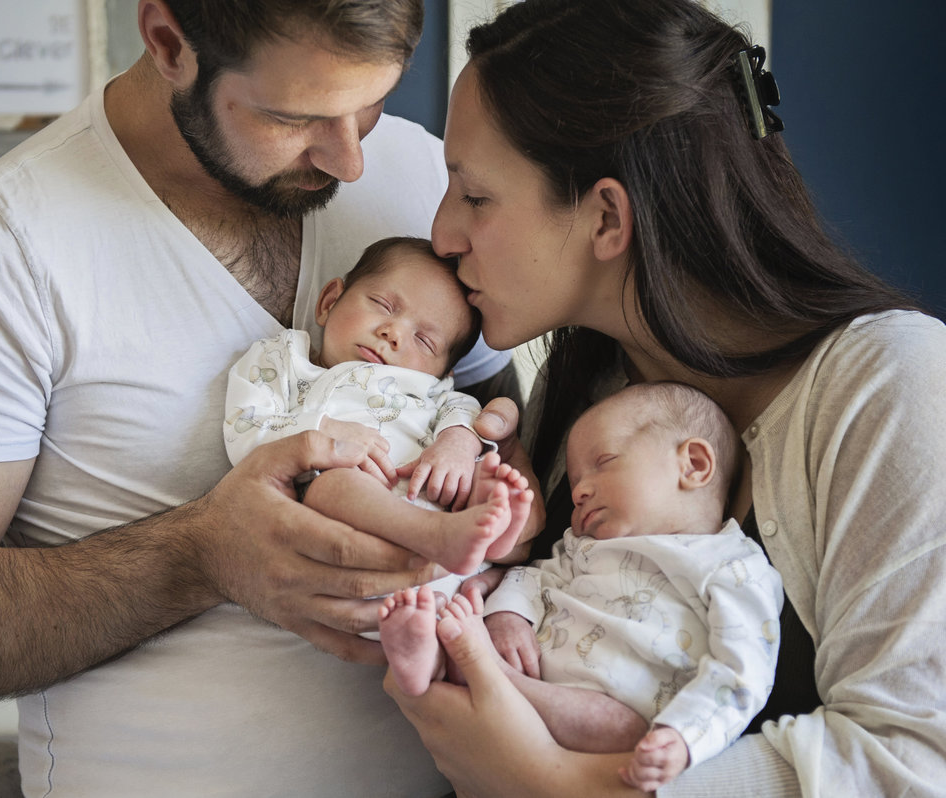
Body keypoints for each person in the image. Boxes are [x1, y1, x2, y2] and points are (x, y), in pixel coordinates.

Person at [0, 2, 527, 796]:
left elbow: (503, 434)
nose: (353, 160)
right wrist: (201, 556)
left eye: (373, 103)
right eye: (293, 116)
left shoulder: (426, 178)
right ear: (167, 43)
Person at [385, 0, 946, 795]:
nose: (443, 234)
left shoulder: (893, 385)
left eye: (475, 196)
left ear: (607, 216)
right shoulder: (588, 392)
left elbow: (917, 761)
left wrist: (564, 786)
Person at [382, 381, 784, 792]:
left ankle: (489, 673)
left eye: (604, 461)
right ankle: (423, 662)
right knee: (462, 618)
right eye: (574, 485)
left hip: (605, 733)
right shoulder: (583, 547)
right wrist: (507, 618)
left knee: (623, 729)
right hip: (514, 716)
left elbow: (742, 671)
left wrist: (685, 737)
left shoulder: (733, 567)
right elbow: (534, 577)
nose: (579, 491)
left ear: (694, 464)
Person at [225, 236, 534, 580]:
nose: (394, 333)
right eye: (384, 305)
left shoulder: (434, 393)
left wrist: (456, 445)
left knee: (472, 476)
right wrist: (323, 430)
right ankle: (436, 533)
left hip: (437, 517)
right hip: (345, 517)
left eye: (424, 340)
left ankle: (497, 538)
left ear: (443, 375)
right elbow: (244, 425)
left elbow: (464, 411)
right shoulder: (283, 360)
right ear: (329, 301)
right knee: (332, 487)